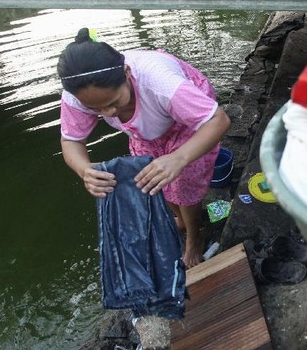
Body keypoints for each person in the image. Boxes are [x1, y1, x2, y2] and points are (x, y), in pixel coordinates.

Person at [57, 28, 231, 268]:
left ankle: (194, 235)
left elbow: (218, 120)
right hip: (146, 131)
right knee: (154, 178)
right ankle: (179, 218)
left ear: (127, 73)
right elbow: (71, 141)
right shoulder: (77, 95)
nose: (108, 114)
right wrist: (84, 169)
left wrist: (178, 158)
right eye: (96, 109)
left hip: (186, 120)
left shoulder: (159, 82)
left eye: (113, 102)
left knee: (184, 182)